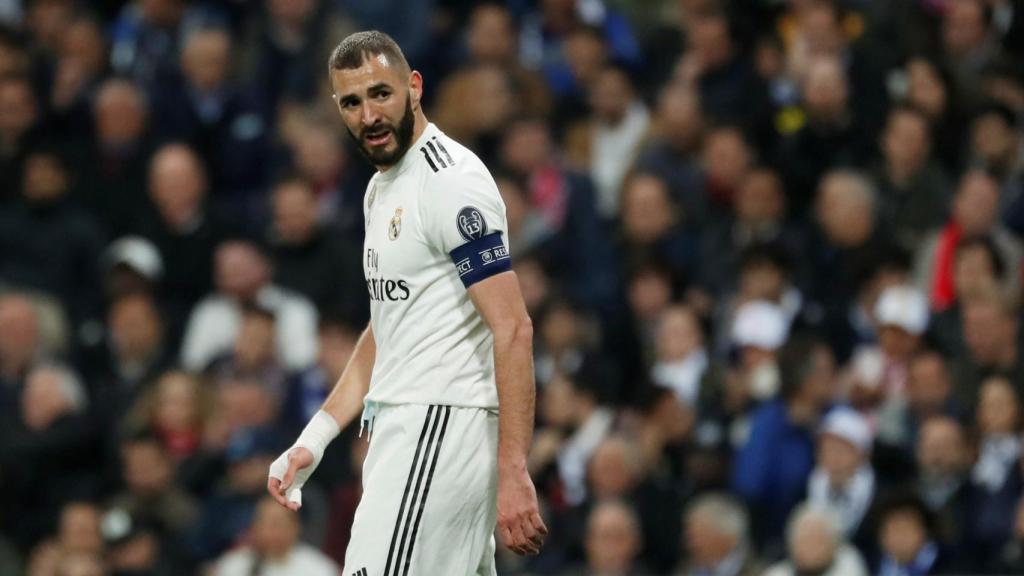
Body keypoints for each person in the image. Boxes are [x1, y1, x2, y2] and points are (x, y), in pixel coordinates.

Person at [267, 31, 547, 575]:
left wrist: (514, 468)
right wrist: (316, 438)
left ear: (414, 87)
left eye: (381, 93)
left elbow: (513, 328)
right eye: (352, 102)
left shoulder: (450, 183)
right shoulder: (381, 187)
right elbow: (388, 326)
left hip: (439, 427)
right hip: (407, 429)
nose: (369, 115)